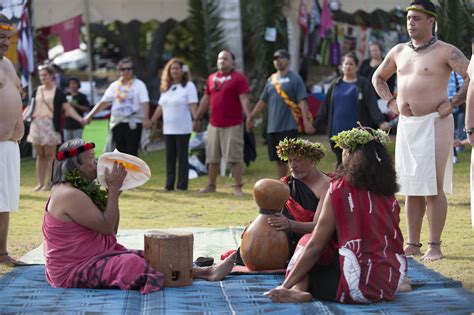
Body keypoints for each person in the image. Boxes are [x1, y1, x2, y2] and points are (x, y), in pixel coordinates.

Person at [43, 139, 236, 294]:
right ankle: (202, 273)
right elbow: (107, 228)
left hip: (90, 258)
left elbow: (112, 231)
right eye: (91, 159)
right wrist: (113, 190)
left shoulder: (77, 190)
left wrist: (114, 193)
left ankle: (206, 272)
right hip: (72, 270)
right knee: (131, 263)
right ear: (75, 166)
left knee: (150, 256)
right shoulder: (70, 194)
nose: (96, 163)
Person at [372, 0, 470, 261]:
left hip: (435, 122)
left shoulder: (445, 51)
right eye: (408, 18)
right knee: (410, 186)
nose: (410, 23)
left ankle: (434, 245)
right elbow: (378, 77)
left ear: (431, 21)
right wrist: (392, 103)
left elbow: (472, 74)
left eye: (416, 18)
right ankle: (413, 243)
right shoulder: (398, 51)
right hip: (407, 125)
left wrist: (454, 102)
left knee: (433, 186)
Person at [264, 127, 409, 303]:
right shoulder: (388, 193)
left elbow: (315, 245)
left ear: (348, 155)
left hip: (358, 288)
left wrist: (284, 286)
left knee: (306, 242)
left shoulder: (339, 189)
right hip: (389, 282)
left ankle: (297, 289)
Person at [231, 138, 330, 265]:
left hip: (312, 242)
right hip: (285, 234)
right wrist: (257, 225)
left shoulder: (326, 187)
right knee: (252, 245)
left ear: (311, 161)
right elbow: (271, 213)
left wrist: (290, 225)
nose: (292, 165)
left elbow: (320, 227)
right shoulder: (286, 183)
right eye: (289, 161)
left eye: (297, 160)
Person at [313, 51, 390, 166]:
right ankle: (340, 184)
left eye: (351, 64)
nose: (348, 66)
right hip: (337, 133)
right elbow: (325, 107)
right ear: (342, 66)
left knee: (356, 165)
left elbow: (372, 105)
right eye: (346, 64)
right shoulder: (335, 85)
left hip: (357, 134)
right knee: (340, 164)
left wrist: (380, 121)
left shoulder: (363, 84)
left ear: (356, 67)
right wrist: (314, 125)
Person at [246, 49, 314, 178]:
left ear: (288, 60)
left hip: (289, 126)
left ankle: (293, 183)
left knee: (292, 157)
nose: (278, 61)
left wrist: (306, 121)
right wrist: (251, 117)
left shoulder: (295, 79)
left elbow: (302, 101)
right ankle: (282, 184)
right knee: (278, 159)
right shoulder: (271, 80)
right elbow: (262, 101)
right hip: (273, 127)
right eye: (275, 59)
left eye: (281, 58)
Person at [193, 50, 251, 196]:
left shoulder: (239, 78)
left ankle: (237, 187)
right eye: (219, 58)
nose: (221, 61)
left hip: (233, 124)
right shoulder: (212, 78)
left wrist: (249, 116)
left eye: (225, 59)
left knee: (235, 157)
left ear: (232, 62)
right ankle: (211, 186)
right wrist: (197, 117)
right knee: (212, 157)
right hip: (214, 124)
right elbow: (206, 99)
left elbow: (244, 98)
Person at [24, 64, 85, 192]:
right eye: (41, 75)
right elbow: (30, 108)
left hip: (50, 124)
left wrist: (80, 119)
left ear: (52, 76)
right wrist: (19, 119)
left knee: (50, 155)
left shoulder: (58, 92)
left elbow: (67, 108)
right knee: (40, 156)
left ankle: (50, 183)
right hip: (36, 124)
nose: (42, 77)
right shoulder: (37, 90)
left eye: (45, 75)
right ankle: (40, 184)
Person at [85, 57, 151, 157]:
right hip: (117, 122)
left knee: (131, 152)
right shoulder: (114, 86)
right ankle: (121, 172)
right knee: (119, 153)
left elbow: (145, 102)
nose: (126, 71)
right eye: (123, 69)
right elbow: (104, 102)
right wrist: (90, 115)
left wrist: (146, 118)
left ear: (133, 70)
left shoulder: (139, 85)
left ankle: (132, 173)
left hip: (133, 122)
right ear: (119, 70)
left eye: (129, 69)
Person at [151, 58, 198, 191]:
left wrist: (196, 119)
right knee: (170, 158)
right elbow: (160, 107)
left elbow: (193, 105)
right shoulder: (166, 88)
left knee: (182, 157)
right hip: (168, 129)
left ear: (183, 71)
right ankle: (169, 185)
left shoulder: (189, 86)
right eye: (172, 68)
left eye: (177, 68)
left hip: (183, 128)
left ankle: (182, 185)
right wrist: (152, 120)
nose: (175, 71)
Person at [0, 14, 25, 265]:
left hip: (9, 144)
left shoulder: (7, 64)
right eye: (0, 36)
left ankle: (2, 253)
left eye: (8, 37)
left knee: (3, 201)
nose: (5, 42)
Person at [63, 77, 91, 142]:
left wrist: (75, 105)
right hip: (67, 124)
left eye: (74, 83)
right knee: (67, 145)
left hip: (78, 124)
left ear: (78, 85)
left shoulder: (82, 96)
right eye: (70, 84)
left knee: (77, 144)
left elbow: (87, 109)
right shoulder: (65, 95)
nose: (72, 85)